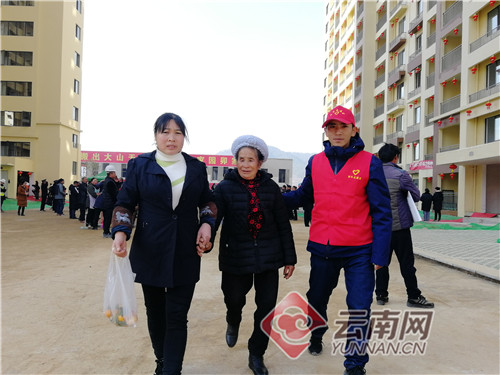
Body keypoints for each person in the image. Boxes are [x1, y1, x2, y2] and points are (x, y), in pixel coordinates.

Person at [283, 106, 392, 375]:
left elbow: (381, 211)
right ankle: (317, 333)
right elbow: (302, 196)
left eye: (343, 126)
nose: (338, 131)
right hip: (323, 247)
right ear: (326, 131)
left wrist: (380, 256)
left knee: (359, 307)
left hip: (359, 250)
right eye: (332, 127)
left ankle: (355, 366)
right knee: (317, 298)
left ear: (354, 129)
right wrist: (267, 196)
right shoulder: (315, 161)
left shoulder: (370, 162)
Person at [111, 112, 217, 375]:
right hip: (151, 248)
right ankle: (161, 360)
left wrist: (206, 223)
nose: (171, 138)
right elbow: (125, 202)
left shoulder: (195, 167)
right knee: (156, 313)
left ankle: (172, 370)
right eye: (165, 131)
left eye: (178, 132)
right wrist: (121, 232)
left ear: (184, 137)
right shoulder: (140, 165)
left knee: (178, 316)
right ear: (156, 135)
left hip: (185, 249)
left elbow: (207, 201)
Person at [213, 135, 297, 375]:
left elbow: (283, 224)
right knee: (235, 299)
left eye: (251, 159)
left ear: (260, 163)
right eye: (241, 159)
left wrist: (289, 258)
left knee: (267, 308)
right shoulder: (225, 188)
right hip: (235, 257)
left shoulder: (271, 188)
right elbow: (214, 220)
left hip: (268, 257)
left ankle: (256, 354)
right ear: (236, 161)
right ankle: (233, 319)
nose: (245, 164)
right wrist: (205, 242)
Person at [375, 143, 434, 309]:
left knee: (381, 261)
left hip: (379, 228)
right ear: (396, 157)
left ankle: (381, 294)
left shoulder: (372, 174)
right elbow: (416, 196)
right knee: (406, 263)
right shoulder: (401, 175)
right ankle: (413, 296)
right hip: (399, 227)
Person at [95, 166, 119, 238]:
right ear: (111, 173)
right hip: (109, 203)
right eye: (114, 172)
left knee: (107, 218)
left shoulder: (107, 180)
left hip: (106, 202)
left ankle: (106, 231)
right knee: (108, 218)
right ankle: (106, 232)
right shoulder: (110, 182)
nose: (115, 174)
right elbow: (114, 193)